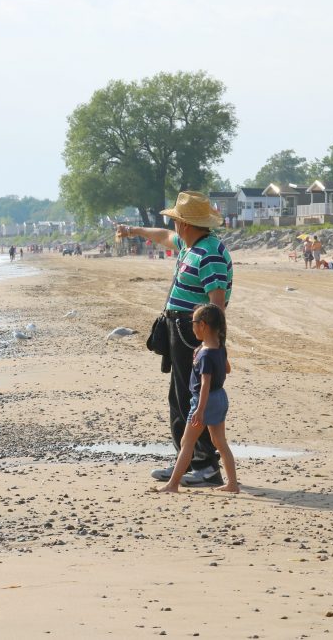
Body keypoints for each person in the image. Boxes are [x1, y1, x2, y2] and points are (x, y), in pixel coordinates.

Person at [117, 191, 233, 487]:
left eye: (177, 220)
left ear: (186, 223)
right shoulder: (190, 244)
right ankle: (187, 460)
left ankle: (205, 467)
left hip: (194, 332)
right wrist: (133, 230)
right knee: (179, 397)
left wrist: (215, 345)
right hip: (182, 328)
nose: (174, 226)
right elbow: (163, 236)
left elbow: (216, 304)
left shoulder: (208, 253)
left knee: (191, 399)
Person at [158, 304, 238, 493]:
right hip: (220, 398)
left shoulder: (205, 355)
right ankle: (232, 484)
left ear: (202, 325)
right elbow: (227, 369)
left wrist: (200, 410)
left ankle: (173, 484)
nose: (191, 326)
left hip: (205, 401)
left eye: (192, 322)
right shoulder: (218, 347)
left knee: (187, 442)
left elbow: (205, 385)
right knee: (220, 442)